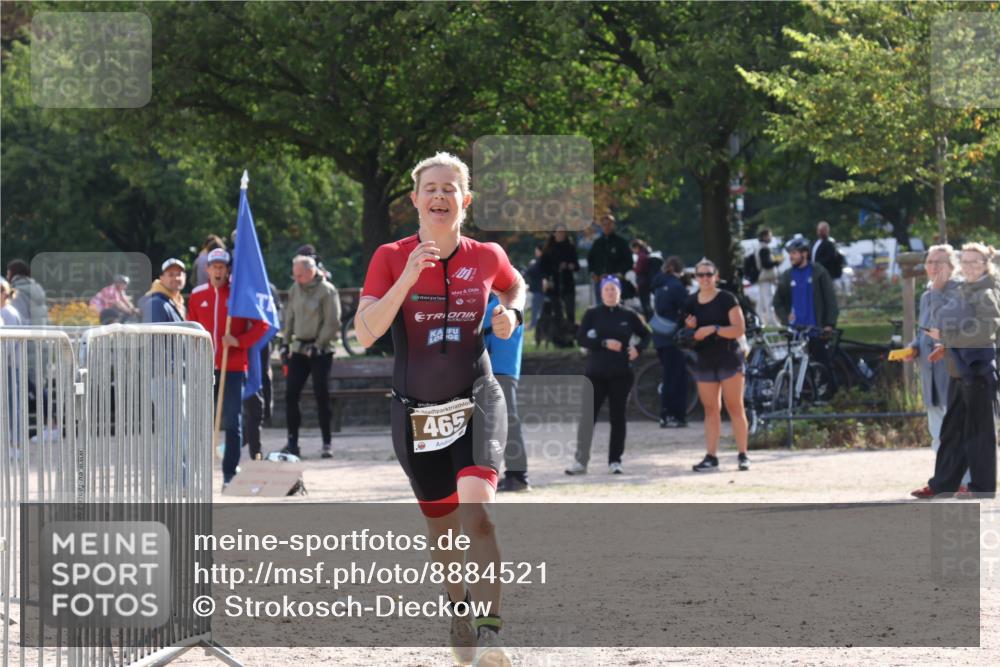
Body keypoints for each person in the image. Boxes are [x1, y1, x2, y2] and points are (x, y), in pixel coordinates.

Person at [355, 152, 525, 666]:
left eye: (450, 189)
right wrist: (407, 277)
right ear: (414, 200)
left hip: (476, 397)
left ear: (465, 201)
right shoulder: (389, 256)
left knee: (479, 513)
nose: (439, 197)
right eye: (430, 188)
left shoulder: (487, 255)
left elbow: (514, 283)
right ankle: (458, 608)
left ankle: (492, 632)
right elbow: (365, 333)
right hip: (416, 415)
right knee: (443, 527)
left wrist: (511, 313)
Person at [187, 248, 269, 488]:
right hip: (203, 368)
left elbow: (262, 324)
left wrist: (239, 341)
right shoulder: (197, 295)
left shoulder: (239, 294)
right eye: (215, 266)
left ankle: (229, 475)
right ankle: (197, 477)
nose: (218, 270)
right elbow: (189, 326)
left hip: (232, 367)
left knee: (232, 423)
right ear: (207, 269)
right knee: (199, 423)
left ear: (228, 269)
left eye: (223, 266)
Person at [923, 243, 1000, 496]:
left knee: (979, 434)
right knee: (952, 432)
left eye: (974, 262)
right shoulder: (965, 291)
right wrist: (946, 338)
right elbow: (943, 319)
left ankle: (982, 487)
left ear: (986, 264)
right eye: (965, 261)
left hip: (977, 371)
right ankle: (942, 484)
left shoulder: (987, 293)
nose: (968, 267)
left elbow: (984, 334)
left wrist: (945, 335)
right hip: (960, 370)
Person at [565, 275, 650, 476]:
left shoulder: (629, 314)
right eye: (606, 290)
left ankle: (615, 461)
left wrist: (638, 348)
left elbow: (647, 334)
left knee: (618, 418)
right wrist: (604, 343)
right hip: (595, 374)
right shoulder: (592, 314)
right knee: (587, 418)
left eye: (613, 289)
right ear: (601, 292)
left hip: (621, 373)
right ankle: (581, 461)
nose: (610, 293)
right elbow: (581, 339)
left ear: (619, 292)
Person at [906, 245, 969, 498]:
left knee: (962, 435)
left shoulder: (962, 292)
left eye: (938, 262)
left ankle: (966, 483)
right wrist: (913, 348)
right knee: (938, 436)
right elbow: (925, 331)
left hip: (955, 375)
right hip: (930, 376)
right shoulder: (926, 295)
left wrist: (936, 292)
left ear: (951, 266)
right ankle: (943, 482)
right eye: (929, 262)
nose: (931, 266)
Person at [685, 259, 751, 472]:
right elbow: (685, 335)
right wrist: (690, 329)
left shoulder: (726, 298)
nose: (704, 278)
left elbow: (738, 329)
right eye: (700, 275)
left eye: (708, 274)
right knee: (711, 410)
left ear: (716, 275)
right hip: (705, 360)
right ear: (695, 277)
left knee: (735, 407)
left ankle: (743, 455)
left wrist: (714, 328)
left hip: (729, 357)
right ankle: (711, 456)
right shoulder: (690, 302)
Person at [280, 254, 341, 459]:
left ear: (311, 271)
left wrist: (319, 344)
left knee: (321, 395)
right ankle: (292, 442)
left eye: (300, 275)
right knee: (290, 394)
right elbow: (290, 317)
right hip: (299, 348)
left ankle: (326, 442)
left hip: (321, 350)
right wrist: (284, 342)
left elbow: (332, 322)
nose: (296, 278)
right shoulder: (295, 289)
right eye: (294, 275)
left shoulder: (327, 290)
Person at [773, 235, 839, 386]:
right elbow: (777, 301)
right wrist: (785, 318)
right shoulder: (787, 275)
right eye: (790, 253)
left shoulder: (818, 272)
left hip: (817, 329)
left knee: (822, 365)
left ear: (805, 253)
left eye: (794, 253)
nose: (791, 256)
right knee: (798, 370)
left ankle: (829, 394)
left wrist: (829, 323)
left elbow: (830, 300)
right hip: (796, 331)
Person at [484, 292, 530, 492]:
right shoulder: (510, 304)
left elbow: (477, 328)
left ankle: (518, 475)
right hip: (506, 368)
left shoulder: (496, 305)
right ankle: (514, 474)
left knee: (507, 423)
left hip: (498, 369)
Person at [650, 256, 690, 428]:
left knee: (669, 375)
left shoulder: (658, 285)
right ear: (676, 269)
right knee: (676, 377)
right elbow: (688, 307)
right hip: (673, 337)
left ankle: (668, 414)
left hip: (659, 335)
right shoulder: (676, 286)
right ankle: (671, 415)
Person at [540, 224, 579, 325]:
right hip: (554, 284)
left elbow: (576, 265)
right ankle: (559, 337)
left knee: (570, 311)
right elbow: (543, 268)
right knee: (557, 312)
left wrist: (570, 266)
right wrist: (545, 279)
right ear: (554, 234)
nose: (562, 234)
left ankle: (570, 335)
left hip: (568, 283)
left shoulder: (570, 247)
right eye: (559, 232)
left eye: (563, 232)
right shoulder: (548, 249)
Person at [587, 214, 632, 301]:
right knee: (600, 310)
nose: (607, 227)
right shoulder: (597, 243)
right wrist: (593, 273)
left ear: (613, 225)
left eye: (609, 224)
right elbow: (590, 260)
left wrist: (620, 273)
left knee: (617, 309)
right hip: (600, 281)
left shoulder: (621, 242)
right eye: (604, 224)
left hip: (616, 282)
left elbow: (628, 261)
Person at [140, 259, 187, 323]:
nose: (176, 278)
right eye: (171, 275)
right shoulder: (156, 303)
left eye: (179, 274)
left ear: (185, 276)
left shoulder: (179, 303)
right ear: (161, 278)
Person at [5, 260, 48, 326]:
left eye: (8, 274)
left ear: (12, 274)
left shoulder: (16, 292)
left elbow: (19, 319)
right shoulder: (37, 288)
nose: (7, 277)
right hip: (42, 331)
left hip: (27, 333)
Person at [754, 228, 780, 328]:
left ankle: (759, 320)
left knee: (760, 302)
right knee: (769, 300)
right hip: (766, 277)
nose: (771, 237)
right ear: (765, 236)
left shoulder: (760, 247)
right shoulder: (764, 248)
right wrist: (776, 262)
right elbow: (766, 264)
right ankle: (771, 321)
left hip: (763, 277)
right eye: (769, 235)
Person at [524, 244, 545, 330]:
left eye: (536, 251)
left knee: (536, 309)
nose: (535, 252)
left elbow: (531, 271)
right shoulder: (540, 261)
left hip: (539, 290)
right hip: (539, 289)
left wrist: (531, 265)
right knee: (539, 310)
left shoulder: (540, 261)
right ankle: (537, 325)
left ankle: (534, 325)